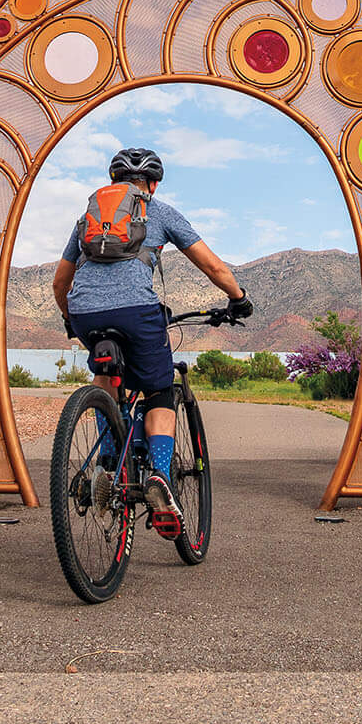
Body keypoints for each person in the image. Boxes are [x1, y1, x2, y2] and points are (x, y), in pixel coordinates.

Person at [53, 145, 251, 532]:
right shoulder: (158, 211)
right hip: (136, 313)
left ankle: (108, 462)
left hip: (83, 312)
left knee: (107, 377)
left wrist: (69, 318)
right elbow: (211, 264)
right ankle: (160, 477)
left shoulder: (88, 217)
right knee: (160, 387)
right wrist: (237, 299)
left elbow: (61, 280)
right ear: (154, 183)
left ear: (114, 182)